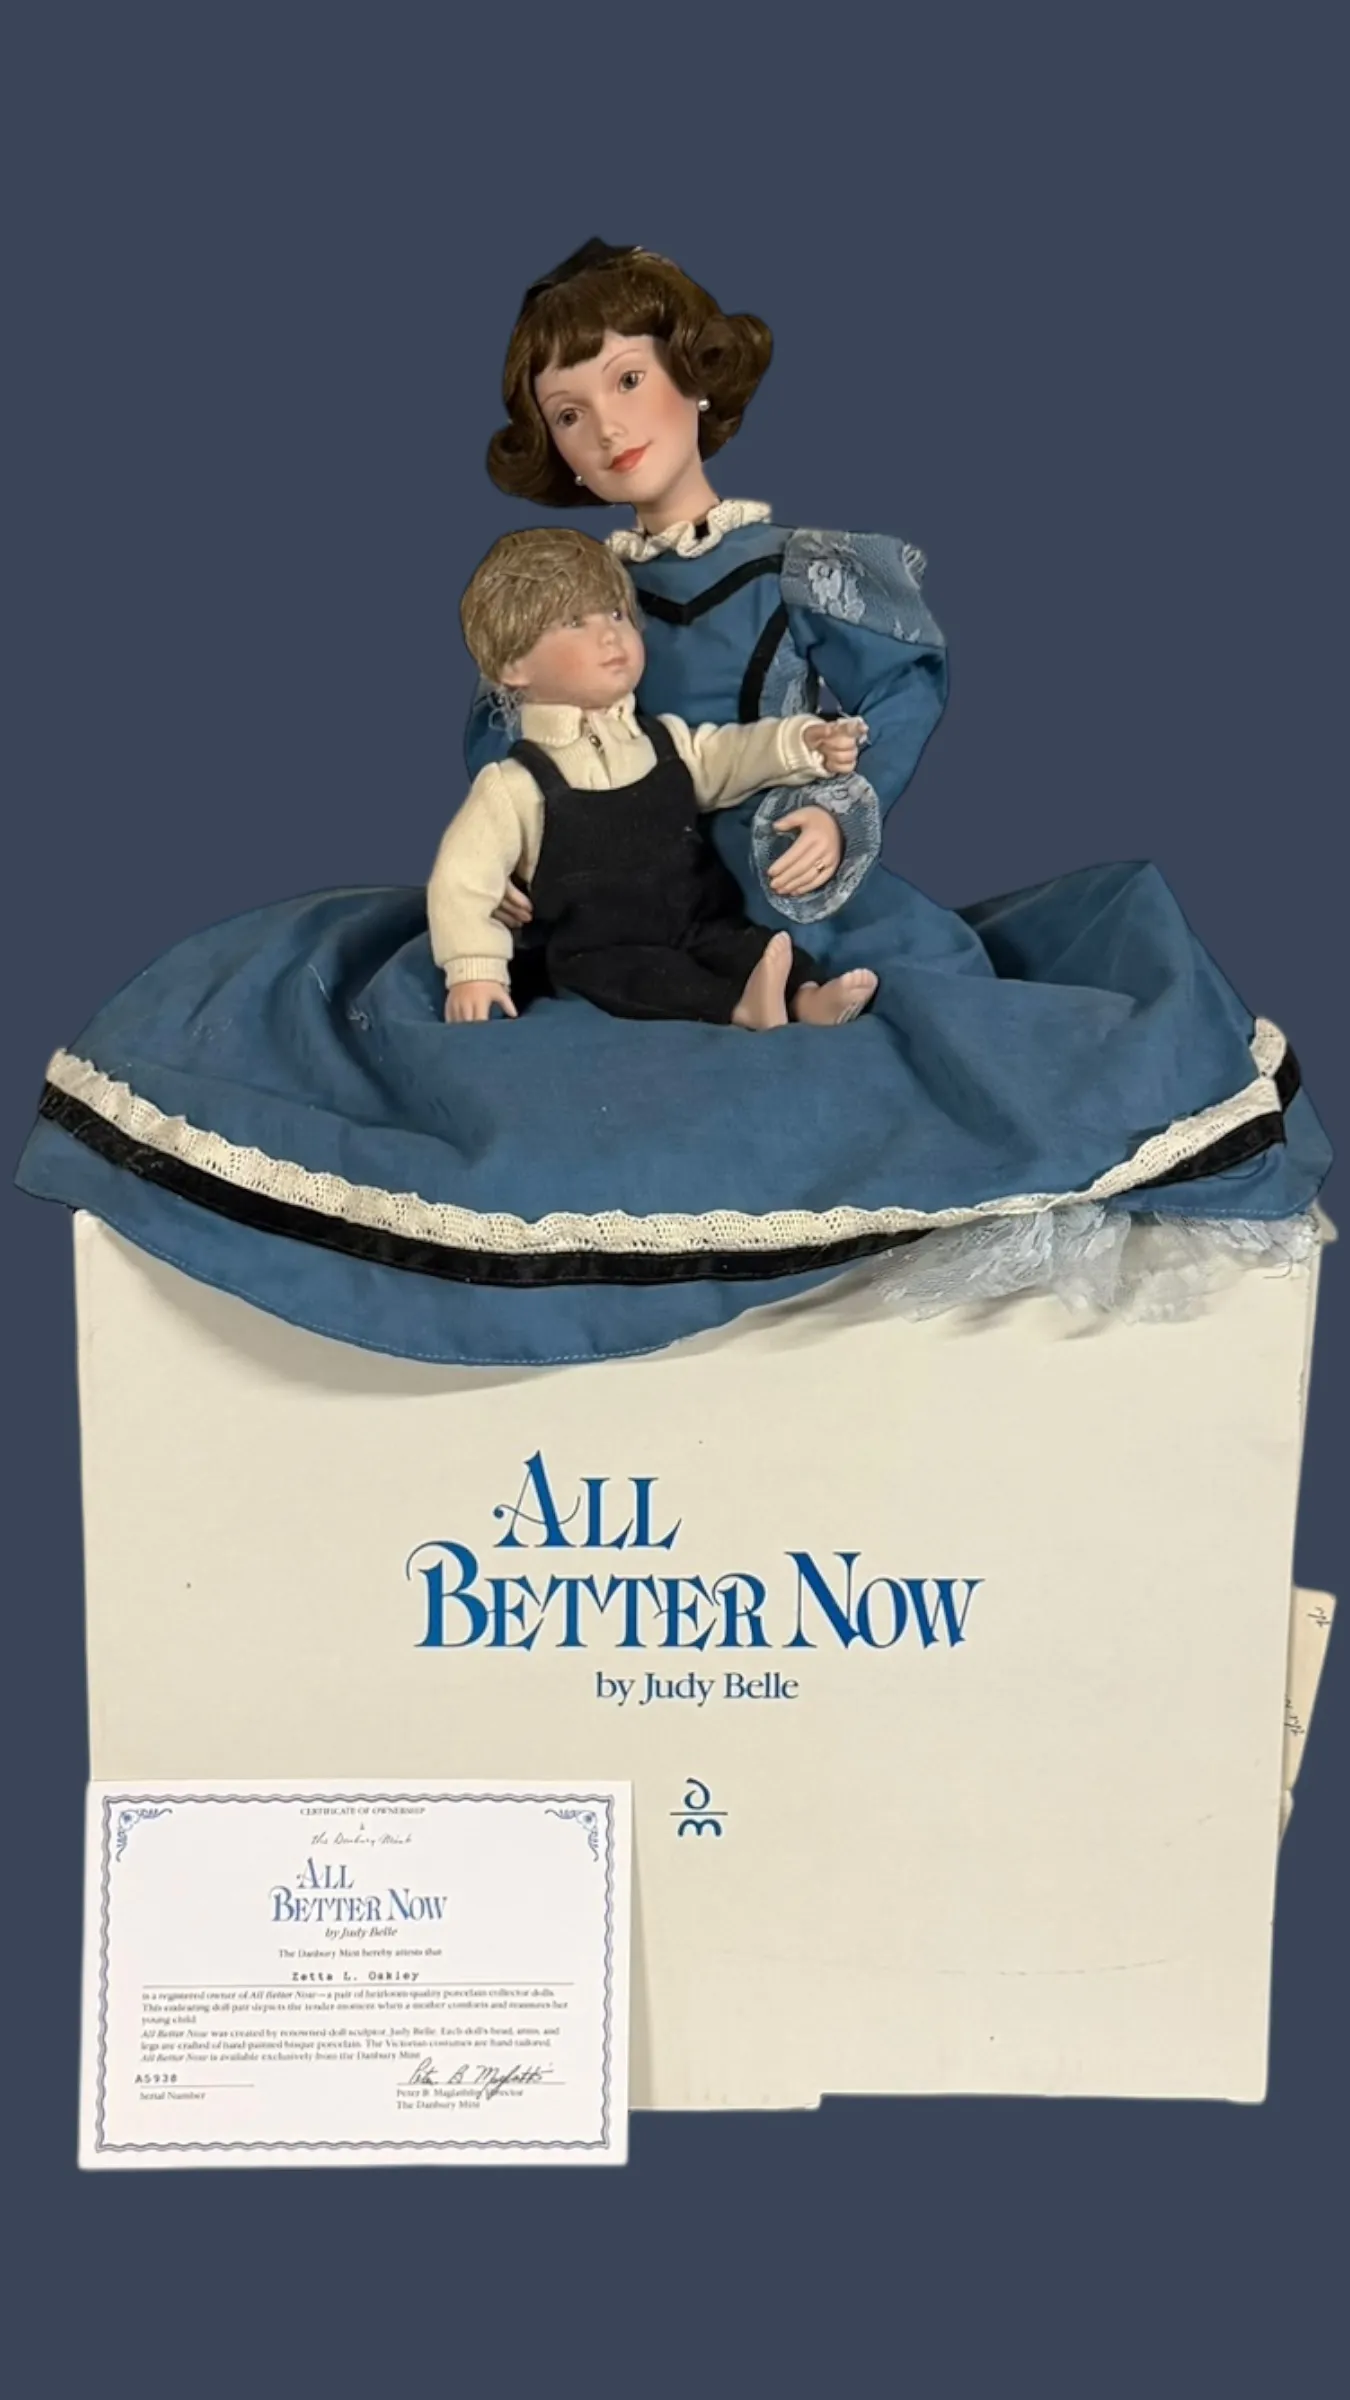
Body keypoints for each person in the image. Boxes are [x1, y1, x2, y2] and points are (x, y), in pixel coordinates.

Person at [15, 241, 1330, 1371]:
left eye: (628, 382)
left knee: (912, 1050)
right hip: (597, 896)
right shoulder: (559, 593)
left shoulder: (801, 570)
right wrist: (513, 872)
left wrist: (840, 806)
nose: (606, 430)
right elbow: (501, 756)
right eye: (568, 414)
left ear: (696, 377)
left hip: (772, 878)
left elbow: (889, 694)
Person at [436, 526, 875, 1030]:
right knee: (638, 977)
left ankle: (806, 999)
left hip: (697, 918)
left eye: (616, 614)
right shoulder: (516, 783)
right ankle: (741, 1009)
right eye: (574, 622)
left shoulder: (662, 740)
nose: (610, 635)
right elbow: (462, 879)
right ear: (513, 665)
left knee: (748, 944)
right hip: (603, 947)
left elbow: (729, 757)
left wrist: (803, 742)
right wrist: (474, 970)